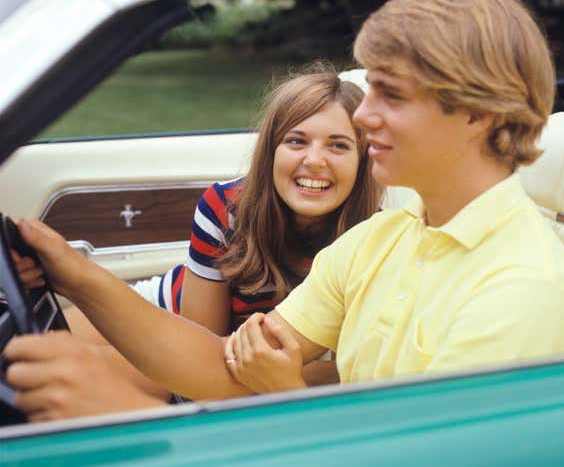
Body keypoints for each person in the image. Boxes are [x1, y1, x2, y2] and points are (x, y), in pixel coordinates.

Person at [6, 0, 564, 414]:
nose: (363, 116)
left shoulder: (521, 295)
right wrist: (78, 278)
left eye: (389, 95)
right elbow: (225, 367)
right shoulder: (383, 237)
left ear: (475, 113)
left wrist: (133, 420)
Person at [6, 67, 381, 419]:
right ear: (271, 152)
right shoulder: (225, 207)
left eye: (338, 146)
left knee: (52, 378)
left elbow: (203, 377)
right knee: (25, 343)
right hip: (173, 311)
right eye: (296, 141)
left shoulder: (374, 240)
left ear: (364, 161)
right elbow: (200, 336)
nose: (314, 161)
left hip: (228, 356)